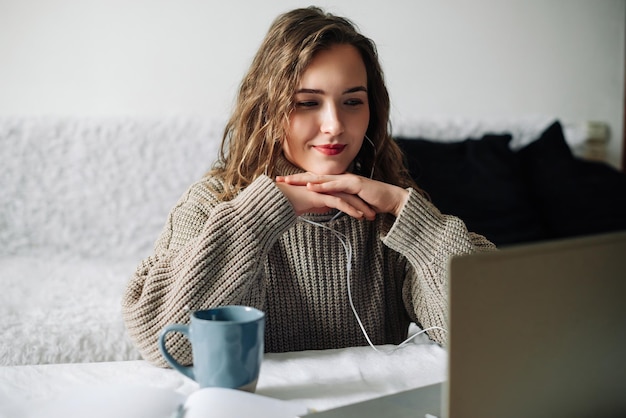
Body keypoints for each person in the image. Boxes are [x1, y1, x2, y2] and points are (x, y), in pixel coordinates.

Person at [122, 6, 495, 367]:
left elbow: (488, 332)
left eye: (352, 101)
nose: (334, 124)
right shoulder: (212, 203)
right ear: (267, 109)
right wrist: (259, 215)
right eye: (307, 103)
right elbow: (166, 342)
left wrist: (405, 208)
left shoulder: (389, 211)